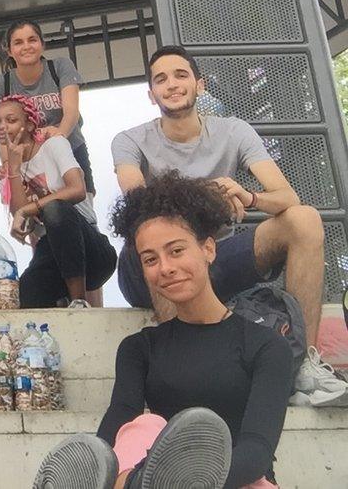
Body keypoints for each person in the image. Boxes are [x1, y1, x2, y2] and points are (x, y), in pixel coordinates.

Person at [111, 44, 346, 406]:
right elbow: (138, 202)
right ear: (151, 93)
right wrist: (208, 196)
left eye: (180, 75)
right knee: (159, 231)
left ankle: (300, 366)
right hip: (147, 266)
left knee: (304, 219)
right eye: (161, 79)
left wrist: (248, 197)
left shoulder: (234, 131)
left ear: (199, 85)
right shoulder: (129, 140)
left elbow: (287, 197)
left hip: (214, 256)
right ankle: (182, 367)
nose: (171, 84)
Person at [33, 172, 293, 489]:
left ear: (208, 249)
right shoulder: (140, 348)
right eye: (150, 259)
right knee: (143, 426)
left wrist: (185, 483)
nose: (165, 267)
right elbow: (114, 429)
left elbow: (257, 451)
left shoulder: (266, 346)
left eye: (176, 250)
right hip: (151, 479)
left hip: (239, 481)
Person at [0, 94, 115, 308]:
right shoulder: (7, 173)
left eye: (11, 120)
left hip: (89, 246)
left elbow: (77, 189)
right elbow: (26, 224)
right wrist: (13, 170)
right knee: (24, 297)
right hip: (51, 252)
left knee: (55, 208)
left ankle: (79, 302)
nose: (2, 126)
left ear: (30, 125)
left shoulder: (54, 144)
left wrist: (32, 208)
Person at [0, 19, 96, 197]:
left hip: (69, 148)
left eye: (32, 40)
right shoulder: (0, 84)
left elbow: (71, 111)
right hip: (29, 160)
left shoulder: (60, 67)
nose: (26, 46)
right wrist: (8, 163)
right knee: (40, 213)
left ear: (42, 45)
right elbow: (3, 133)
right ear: (10, 50)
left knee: (82, 201)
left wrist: (59, 136)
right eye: (18, 42)